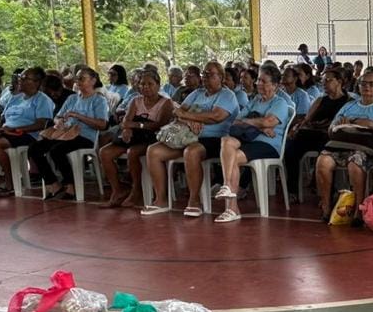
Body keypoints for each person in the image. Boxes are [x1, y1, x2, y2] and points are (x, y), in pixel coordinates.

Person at [142, 67, 238, 216]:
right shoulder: (197, 93)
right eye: (204, 74)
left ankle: (194, 200)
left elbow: (216, 117)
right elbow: (177, 112)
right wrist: (187, 120)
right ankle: (160, 200)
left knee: (191, 152)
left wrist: (187, 116)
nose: (205, 77)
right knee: (153, 151)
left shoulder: (227, 95)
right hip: (186, 136)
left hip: (213, 139)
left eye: (210, 74)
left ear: (221, 77)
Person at [315, 73, 373, 222]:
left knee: (355, 163)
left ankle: (358, 209)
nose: (367, 86)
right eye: (363, 83)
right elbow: (330, 130)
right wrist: (338, 124)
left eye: (372, 84)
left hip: (366, 149)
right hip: (342, 145)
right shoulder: (349, 105)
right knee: (323, 161)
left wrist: (371, 124)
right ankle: (326, 207)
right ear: (358, 86)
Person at [215, 64, 295, 223]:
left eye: (263, 81)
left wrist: (257, 123)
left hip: (269, 145)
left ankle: (231, 207)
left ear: (274, 85)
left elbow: (269, 121)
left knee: (234, 157)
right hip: (250, 140)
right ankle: (228, 192)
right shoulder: (255, 100)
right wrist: (259, 125)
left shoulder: (280, 103)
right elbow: (236, 121)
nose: (258, 83)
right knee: (226, 141)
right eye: (258, 80)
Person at [29, 66, 111, 200]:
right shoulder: (72, 98)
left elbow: (102, 124)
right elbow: (58, 116)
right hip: (65, 133)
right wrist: (59, 121)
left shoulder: (98, 100)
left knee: (57, 150)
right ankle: (53, 184)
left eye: (81, 78)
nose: (77, 81)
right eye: (77, 78)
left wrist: (79, 116)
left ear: (92, 81)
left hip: (84, 136)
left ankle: (70, 186)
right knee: (34, 148)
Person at [0, 66, 55, 197]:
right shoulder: (15, 98)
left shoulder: (42, 100)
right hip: (7, 131)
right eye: (19, 77)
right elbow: (3, 117)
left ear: (36, 82)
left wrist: (16, 129)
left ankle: (10, 183)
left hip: (27, 134)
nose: (19, 80)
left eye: (24, 78)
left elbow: (42, 124)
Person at [99, 68, 174, 208]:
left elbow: (159, 125)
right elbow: (126, 121)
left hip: (152, 138)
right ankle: (118, 190)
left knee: (132, 153)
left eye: (150, 84)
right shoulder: (135, 100)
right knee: (105, 152)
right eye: (142, 84)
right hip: (133, 136)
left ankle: (136, 190)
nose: (145, 87)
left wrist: (136, 125)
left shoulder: (166, 103)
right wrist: (127, 128)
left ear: (158, 85)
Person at [285, 67, 352, 192]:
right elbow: (307, 119)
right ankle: (292, 190)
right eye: (323, 81)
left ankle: (325, 189)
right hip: (313, 133)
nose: (324, 84)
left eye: (328, 80)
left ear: (339, 82)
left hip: (332, 136)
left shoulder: (348, 101)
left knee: (326, 147)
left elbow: (345, 123)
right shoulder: (321, 100)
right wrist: (296, 128)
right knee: (290, 150)